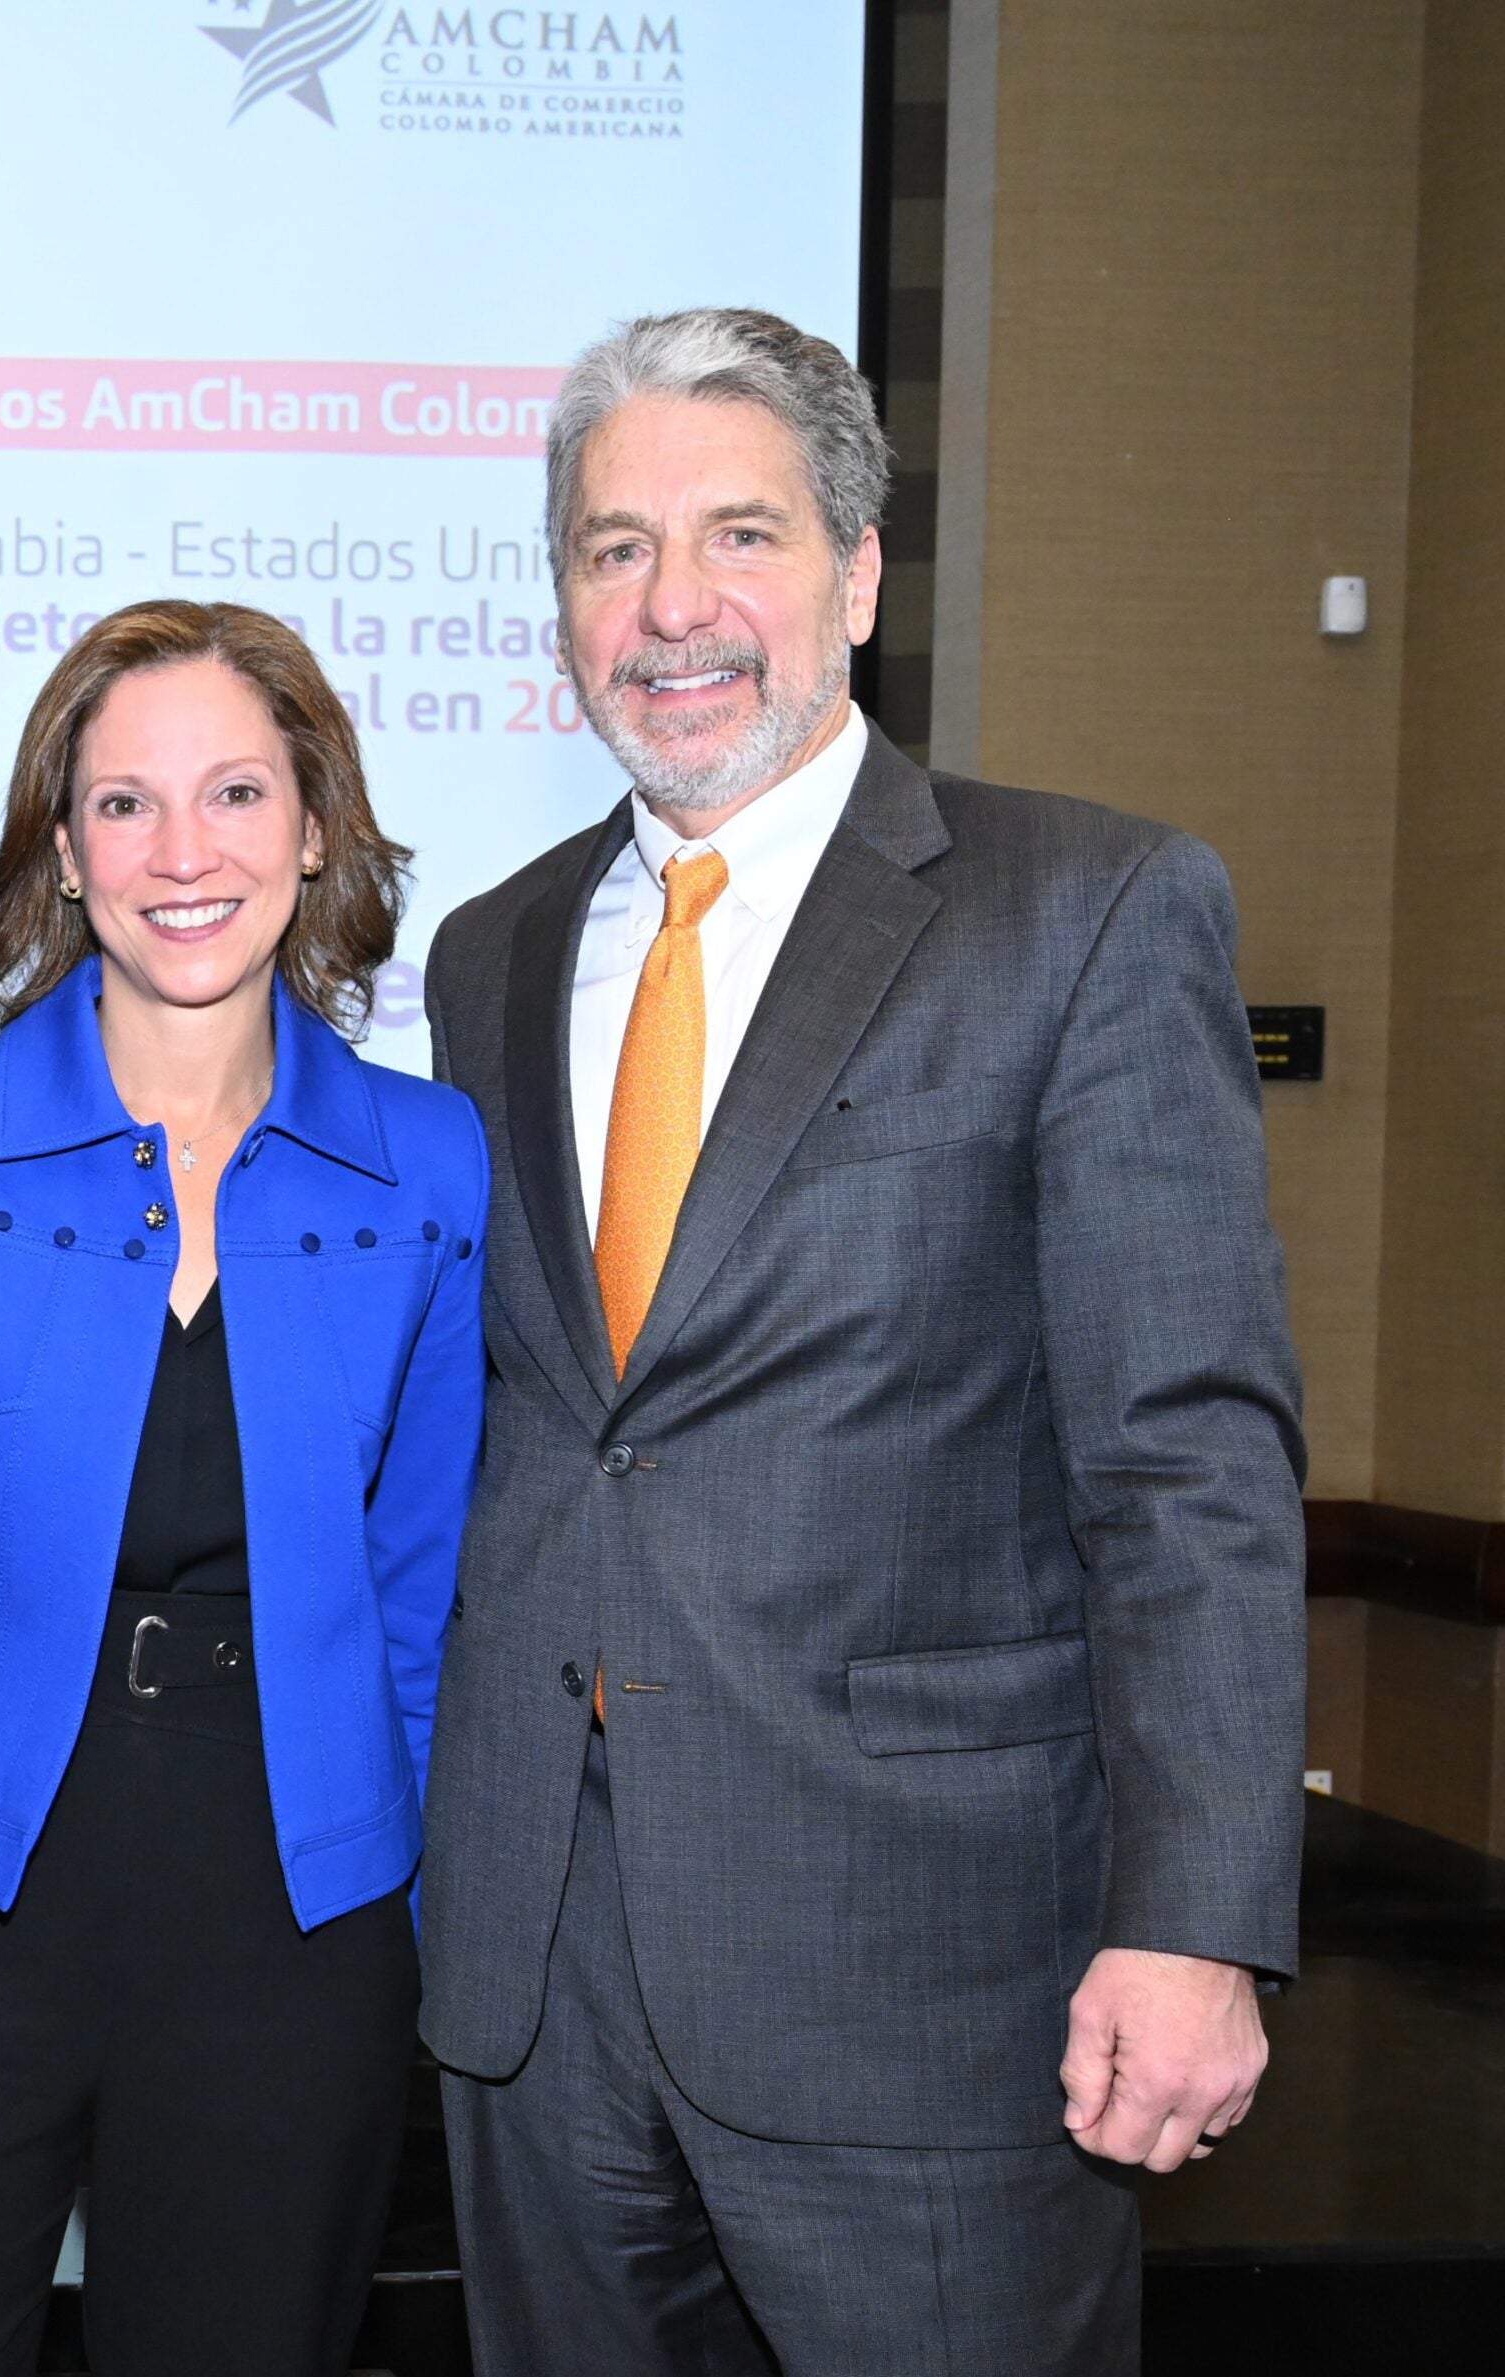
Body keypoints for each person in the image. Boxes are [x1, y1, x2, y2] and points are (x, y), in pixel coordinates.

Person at [417, 308, 1307, 2374]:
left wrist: (1191, 1917)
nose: (669, 607)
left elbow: (1183, 1457)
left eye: (735, 536)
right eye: (609, 548)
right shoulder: (491, 950)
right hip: (534, 1968)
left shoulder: (1079, 911)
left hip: (924, 1976)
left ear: (857, 573)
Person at [0, 599, 487, 2377]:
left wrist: (432, 1957)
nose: (183, 853)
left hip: (296, 1924)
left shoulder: (430, 1165)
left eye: (234, 793)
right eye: (124, 805)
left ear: (315, 830)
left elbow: (425, 1602)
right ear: (65, 852)